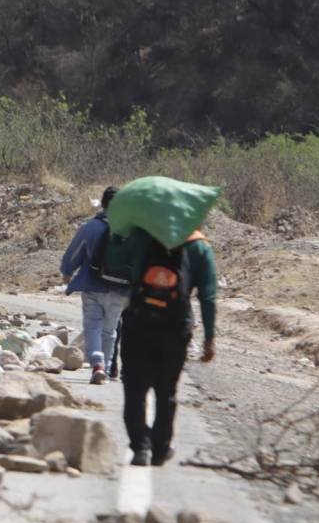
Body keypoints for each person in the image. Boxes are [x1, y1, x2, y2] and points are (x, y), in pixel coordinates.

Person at [117, 227, 217, 466]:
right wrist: (209, 338)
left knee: (134, 389)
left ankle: (140, 446)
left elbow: (116, 260)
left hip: (138, 322)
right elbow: (208, 296)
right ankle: (160, 449)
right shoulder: (200, 247)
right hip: (175, 327)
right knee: (166, 392)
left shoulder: (142, 236)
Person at [60, 186, 128, 385]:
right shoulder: (132, 229)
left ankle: (97, 364)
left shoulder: (90, 227)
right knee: (110, 330)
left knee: (92, 326)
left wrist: (67, 272)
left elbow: (74, 254)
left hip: (92, 286)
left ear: (103, 203)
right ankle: (105, 369)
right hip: (121, 290)